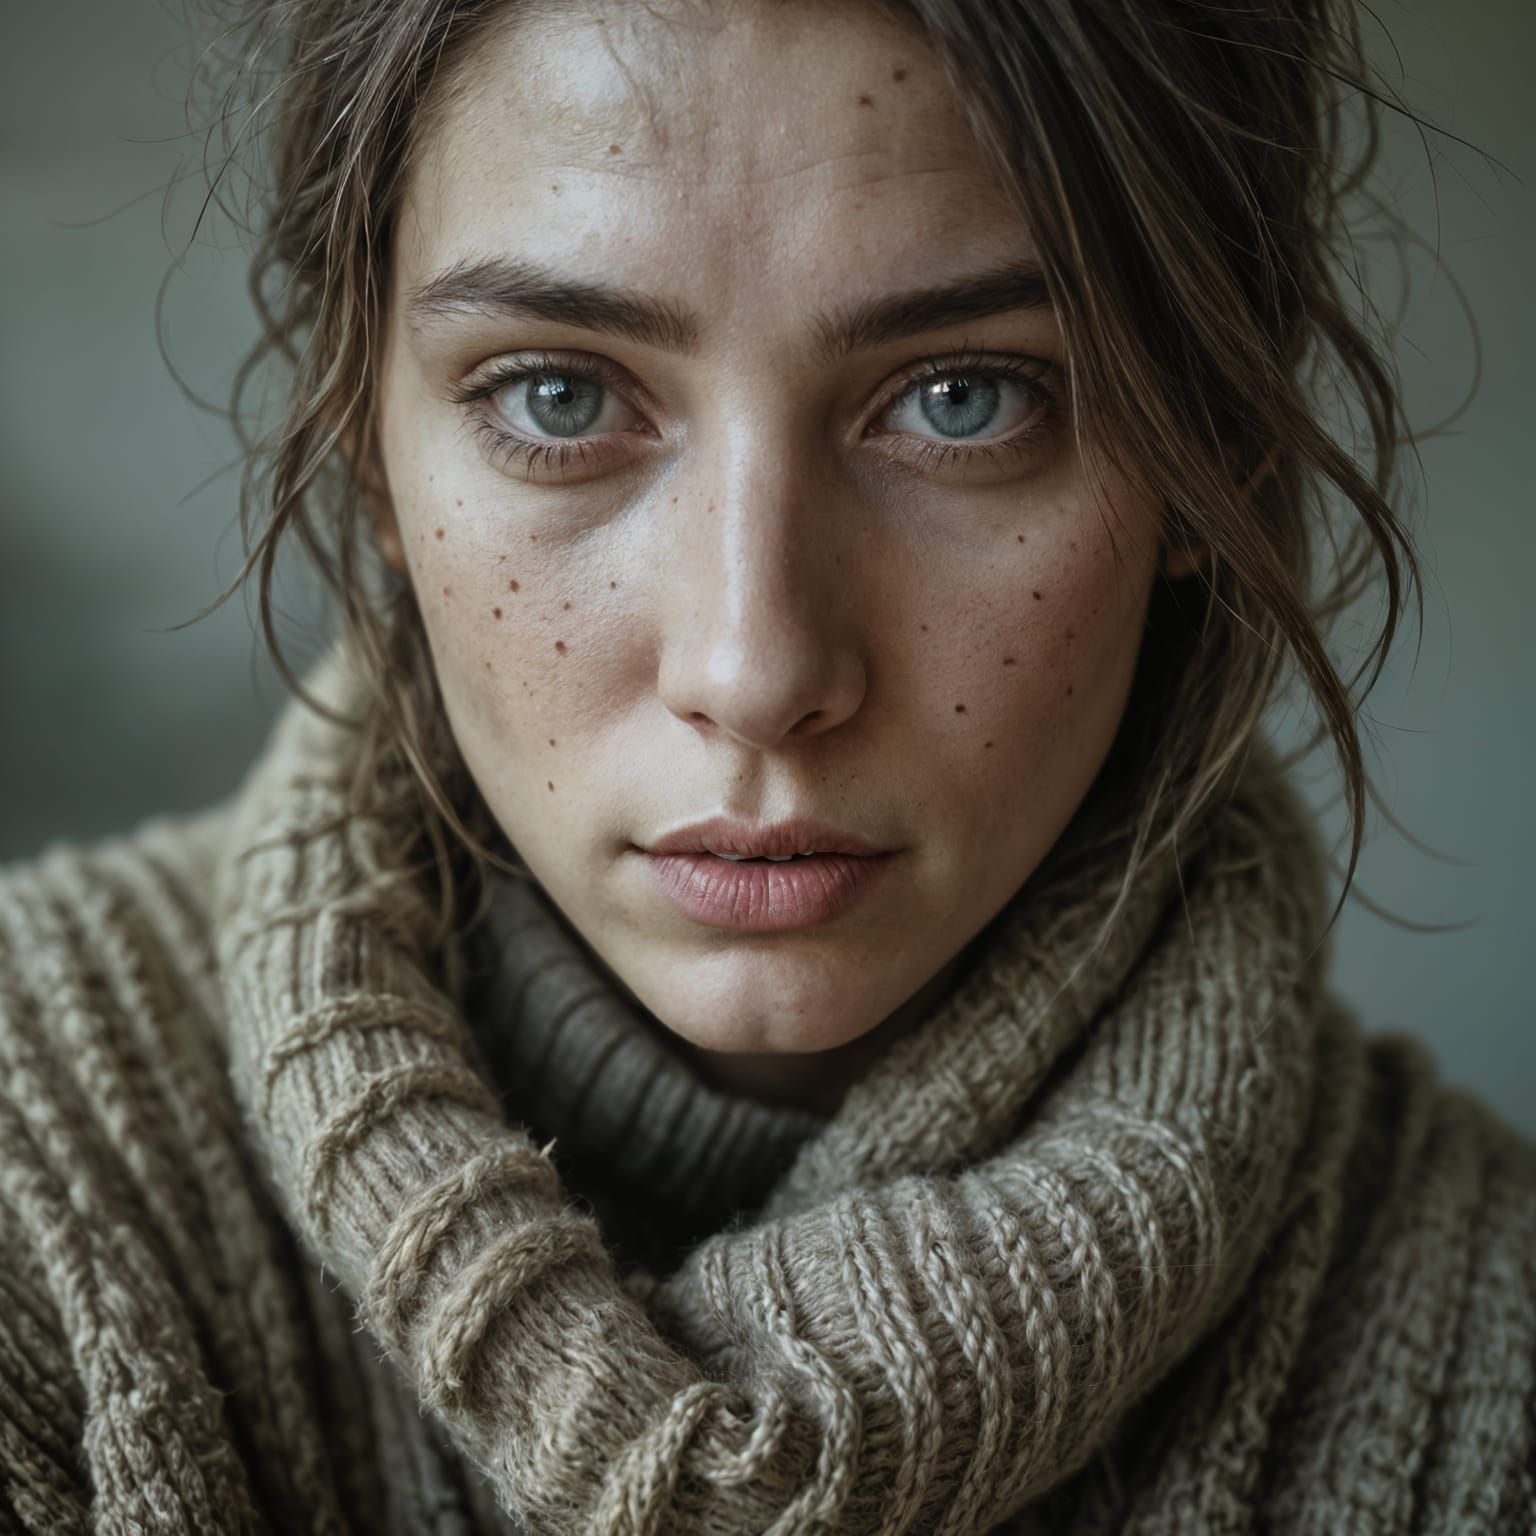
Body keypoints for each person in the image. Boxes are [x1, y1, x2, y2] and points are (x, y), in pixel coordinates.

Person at [1, 0, 1531, 1531]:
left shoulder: (1495, 1363)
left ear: (1218, 453)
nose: (755, 672)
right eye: (558, 395)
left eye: (965, 399)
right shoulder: (29, 1182)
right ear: (369, 451)